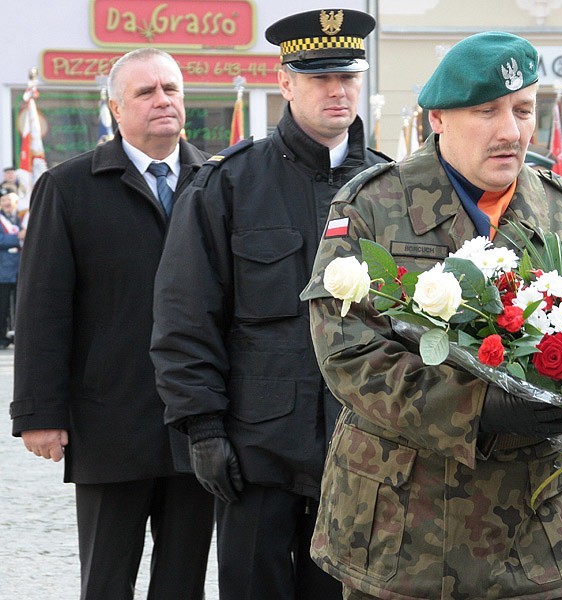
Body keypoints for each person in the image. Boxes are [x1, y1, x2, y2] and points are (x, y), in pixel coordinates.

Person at [301, 31, 562, 600]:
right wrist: (478, 408)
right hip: (400, 533)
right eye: (486, 112)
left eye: (523, 110)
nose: (510, 131)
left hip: (531, 539)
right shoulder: (374, 206)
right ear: (437, 117)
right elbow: (347, 352)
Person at [149, 9, 389, 600]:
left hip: (363, 451)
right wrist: (201, 428)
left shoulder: (391, 188)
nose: (338, 91)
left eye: (348, 77)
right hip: (256, 453)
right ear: (285, 84)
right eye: (320, 78)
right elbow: (185, 319)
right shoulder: (227, 184)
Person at [10, 48, 214, 599]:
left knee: (183, 582)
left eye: (171, 89)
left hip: (199, 423)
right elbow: (41, 309)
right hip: (110, 422)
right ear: (116, 109)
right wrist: (38, 413)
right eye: (145, 93)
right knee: (107, 580)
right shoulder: (70, 187)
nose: (162, 101)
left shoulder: (219, 183)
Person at [0, 189, 24, 347]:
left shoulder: (17, 219)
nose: (7, 204)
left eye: (9, 200)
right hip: (3, 270)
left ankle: (16, 335)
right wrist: (17, 237)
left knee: (18, 305)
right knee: (2, 306)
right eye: (4, 201)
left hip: (18, 269)